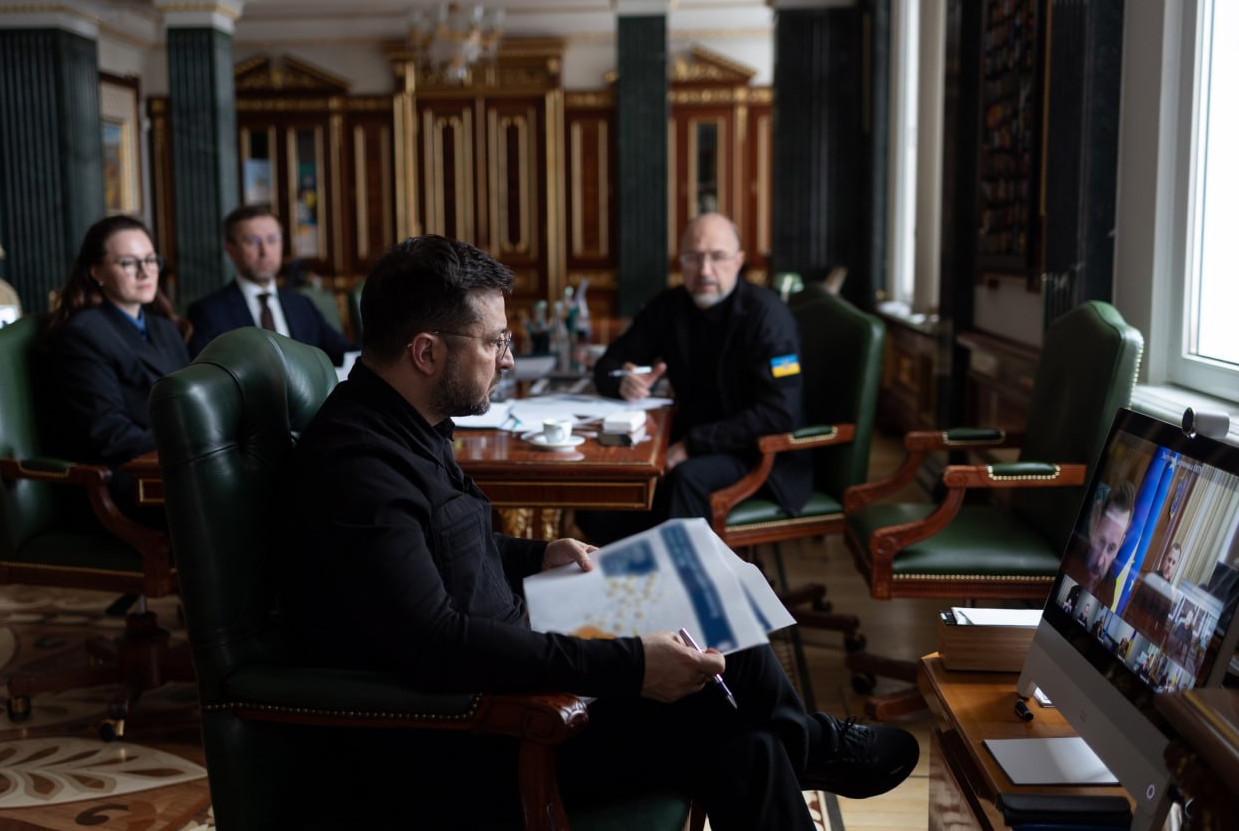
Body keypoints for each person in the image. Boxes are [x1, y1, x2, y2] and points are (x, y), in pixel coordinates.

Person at [278, 235, 918, 830]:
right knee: (734, 724)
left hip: (513, 671)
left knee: (714, 625)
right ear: (426, 353)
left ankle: (812, 743)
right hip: (483, 732)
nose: (507, 359)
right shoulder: (359, 465)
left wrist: (540, 553)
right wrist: (633, 666)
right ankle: (815, 745)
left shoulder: (405, 423)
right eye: (495, 342)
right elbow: (436, 643)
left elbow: (436, 551)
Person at [580, 213, 811, 544]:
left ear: (738, 261)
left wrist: (692, 445)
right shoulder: (669, 307)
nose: (704, 270)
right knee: (598, 500)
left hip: (757, 454)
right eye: (693, 257)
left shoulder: (768, 316)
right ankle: (632, 574)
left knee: (685, 480)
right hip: (685, 440)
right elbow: (608, 363)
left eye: (717, 257)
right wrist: (622, 382)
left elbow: (779, 413)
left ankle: (684, 576)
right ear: (681, 262)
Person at [40, 215, 190, 525]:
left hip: (173, 463)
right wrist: (195, 440)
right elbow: (109, 434)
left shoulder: (164, 327)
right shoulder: (84, 334)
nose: (145, 271)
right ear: (96, 272)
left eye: (151, 259)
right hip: (120, 481)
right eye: (128, 263)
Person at [186, 203, 353, 363]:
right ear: (231, 250)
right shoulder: (208, 313)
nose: (265, 251)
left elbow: (345, 351)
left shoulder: (302, 304)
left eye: (272, 239)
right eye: (253, 241)